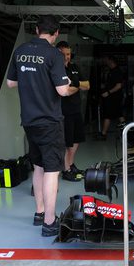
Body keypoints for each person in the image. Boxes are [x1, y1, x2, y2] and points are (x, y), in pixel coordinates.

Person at [7, 15, 76, 237]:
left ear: (37, 30)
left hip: (29, 121)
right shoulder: (53, 54)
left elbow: (11, 83)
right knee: (52, 171)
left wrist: (31, 79)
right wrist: (68, 84)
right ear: (56, 34)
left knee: (38, 166)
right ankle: (49, 222)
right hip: (50, 122)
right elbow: (62, 91)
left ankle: (39, 212)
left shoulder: (20, 51)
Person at [56, 41, 90, 182]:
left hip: (76, 110)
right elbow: (66, 91)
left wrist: (74, 83)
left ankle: (70, 164)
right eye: (63, 54)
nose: (66, 57)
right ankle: (66, 169)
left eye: (68, 54)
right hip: (63, 112)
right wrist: (76, 85)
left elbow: (87, 85)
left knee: (76, 140)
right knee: (67, 143)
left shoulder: (74, 67)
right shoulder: (55, 69)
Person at [97, 55, 126, 140]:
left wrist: (108, 92)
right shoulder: (111, 71)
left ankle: (103, 134)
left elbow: (119, 85)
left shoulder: (117, 71)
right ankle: (126, 132)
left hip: (114, 97)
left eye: (106, 60)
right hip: (112, 97)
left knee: (108, 115)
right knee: (119, 114)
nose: (105, 62)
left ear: (111, 61)